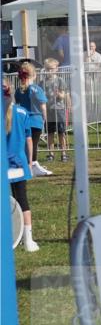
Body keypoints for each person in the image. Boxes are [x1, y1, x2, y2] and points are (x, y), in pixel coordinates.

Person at [5, 83, 39, 251]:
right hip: (19, 163)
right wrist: (30, 162)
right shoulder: (23, 112)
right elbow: (29, 140)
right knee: (22, 199)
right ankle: (28, 240)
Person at [13, 62, 51, 176]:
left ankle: (29, 164)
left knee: (26, 144)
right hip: (35, 120)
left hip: (23, 120)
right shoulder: (37, 89)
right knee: (33, 144)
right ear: (34, 75)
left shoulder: (19, 89)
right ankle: (33, 164)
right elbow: (43, 106)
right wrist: (45, 118)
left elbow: (17, 104)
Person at [40, 58, 69, 162]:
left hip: (59, 109)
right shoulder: (42, 83)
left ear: (56, 69)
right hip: (49, 110)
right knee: (50, 133)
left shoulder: (60, 80)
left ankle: (64, 153)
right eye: (47, 69)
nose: (49, 71)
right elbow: (40, 96)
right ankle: (51, 154)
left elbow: (63, 95)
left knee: (61, 133)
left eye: (51, 69)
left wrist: (59, 95)